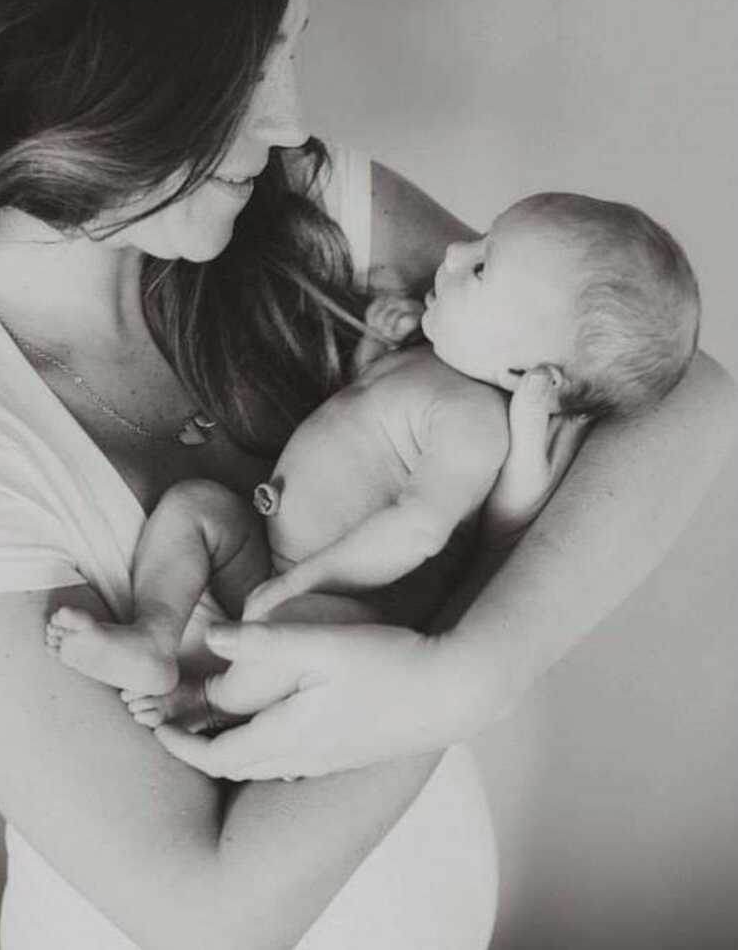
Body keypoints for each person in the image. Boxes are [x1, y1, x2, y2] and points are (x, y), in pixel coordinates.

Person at [0, 0, 733, 950]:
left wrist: (478, 668)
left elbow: (684, 397)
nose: (292, 119)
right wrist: (474, 600)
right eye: (241, 75)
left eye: (288, 51)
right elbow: (212, 909)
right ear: (77, 80)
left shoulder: (312, 214)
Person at [43, 190, 699, 727]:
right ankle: (153, 636)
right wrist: (373, 354)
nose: (454, 251)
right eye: (480, 240)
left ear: (532, 369)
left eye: (481, 267)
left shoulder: (476, 426)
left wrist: (306, 581)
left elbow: (419, 527)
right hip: (276, 554)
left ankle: (207, 701)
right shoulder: (432, 363)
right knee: (195, 510)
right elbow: (357, 413)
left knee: (287, 642)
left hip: (344, 600)